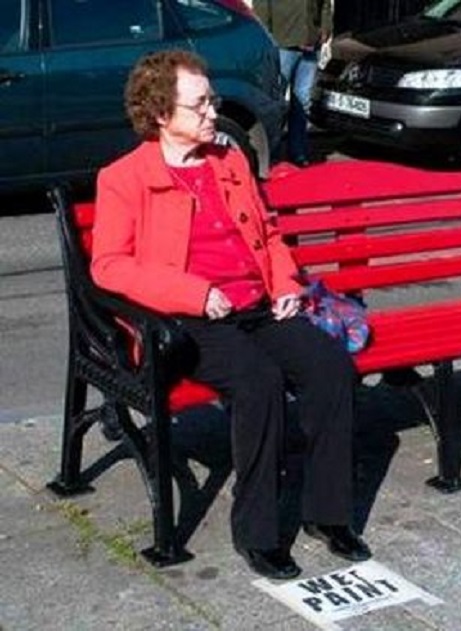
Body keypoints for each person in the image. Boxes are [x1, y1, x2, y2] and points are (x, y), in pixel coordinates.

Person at [90, 49, 370, 581]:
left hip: (257, 306)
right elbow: (108, 267)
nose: (212, 113)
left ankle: (328, 515)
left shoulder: (229, 159)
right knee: (258, 381)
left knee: (329, 366)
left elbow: (266, 233)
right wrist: (192, 293)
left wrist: (286, 283)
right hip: (186, 321)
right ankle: (259, 534)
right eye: (199, 106)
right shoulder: (123, 178)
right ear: (159, 115)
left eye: (211, 100)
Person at [254, 0, 332, 165]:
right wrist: (265, 35)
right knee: (275, 100)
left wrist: (325, 29)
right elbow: (261, 5)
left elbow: (325, 4)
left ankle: (298, 152)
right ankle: (269, 153)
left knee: (302, 101)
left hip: (310, 44)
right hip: (283, 43)